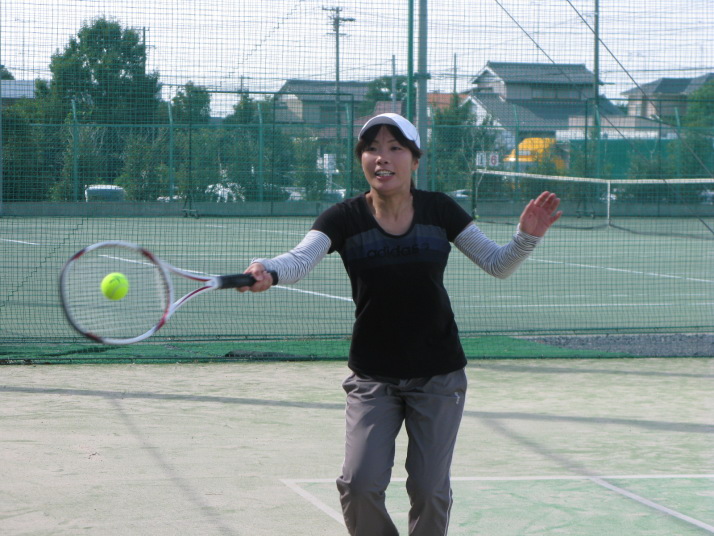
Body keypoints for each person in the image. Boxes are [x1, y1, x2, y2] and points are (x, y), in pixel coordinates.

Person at [240, 113, 561, 535]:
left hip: (438, 375)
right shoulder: (343, 217)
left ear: (415, 160)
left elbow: (497, 263)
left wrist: (526, 237)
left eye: (395, 148)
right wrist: (268, 269)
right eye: (372, 149)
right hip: (373, 376)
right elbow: (299, 259)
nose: (382, 157)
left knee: (429, 490)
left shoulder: (439, 210)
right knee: (358, 485)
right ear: (362, 159)